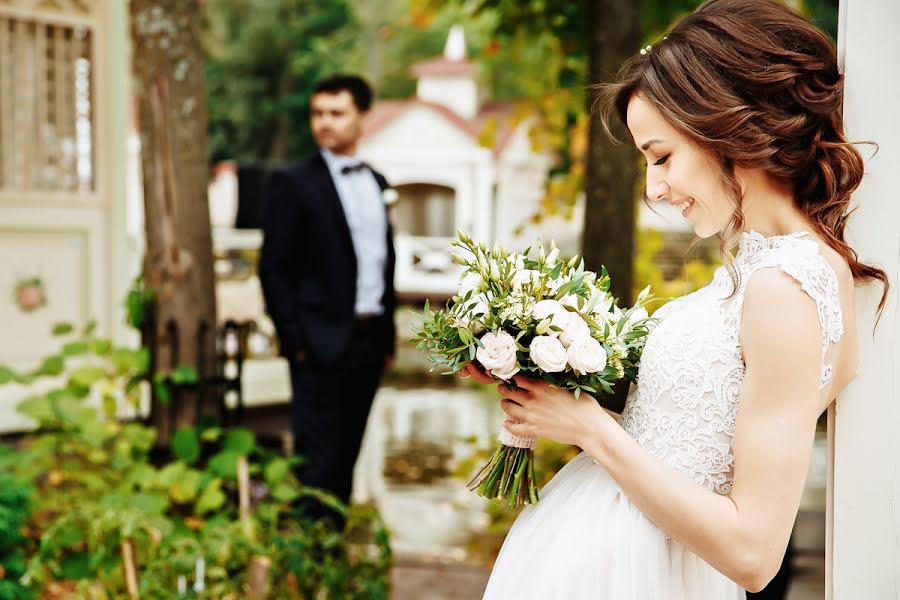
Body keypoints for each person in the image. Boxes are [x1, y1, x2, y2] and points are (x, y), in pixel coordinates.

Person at [457, 1, 889, 597]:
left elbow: (754, 551)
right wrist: (561, 403)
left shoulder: (788, 287)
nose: (656, 188)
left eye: (662, 157)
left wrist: (593, 432)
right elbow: (690, 443)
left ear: (728, 123)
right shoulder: (764, 268)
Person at [259, 74, 396, 528]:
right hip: (317, 343)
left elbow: (382, 261)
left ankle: (331, 552)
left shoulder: (378, 181)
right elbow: (274, 267)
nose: (324, 123)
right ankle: (310, 557)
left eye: (336, 113)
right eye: (318, 113)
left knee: (347, 454)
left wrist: (388, 335)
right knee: (315, 459)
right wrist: (294, 339)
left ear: (362, 118)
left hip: (369, 340)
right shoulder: (292, 183)